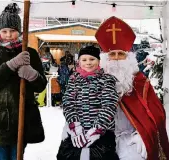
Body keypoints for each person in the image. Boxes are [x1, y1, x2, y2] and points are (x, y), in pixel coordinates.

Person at [96, 16, 169, 160]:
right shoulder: (95, 81)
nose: (116, 58)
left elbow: (157, 115)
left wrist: (144, 135)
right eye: (112, 54)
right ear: (105, 58)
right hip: (101, 137)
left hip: (130, 138)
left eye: (121, 54)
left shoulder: (140, 83)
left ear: (128, 58)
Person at [0, 3, 47, 160]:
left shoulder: (29, 53)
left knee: (17, 156)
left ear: (19, 31)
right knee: (2, 157)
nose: (8, 34)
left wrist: (32, 75)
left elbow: (41, 85)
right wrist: (11, 65)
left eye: (12, 31)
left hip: (22, 116)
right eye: (4, 31)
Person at [57, 46, 120, 160]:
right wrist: (75, 127)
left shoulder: (106, 79)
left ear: (99, 61)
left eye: (92, 59)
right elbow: (68, 103)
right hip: (77, 133)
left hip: (102, 133)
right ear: (79, 62)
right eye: (84, 60)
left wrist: (97, 129)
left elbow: (109, 105)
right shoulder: (74, 79)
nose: (88, 63)